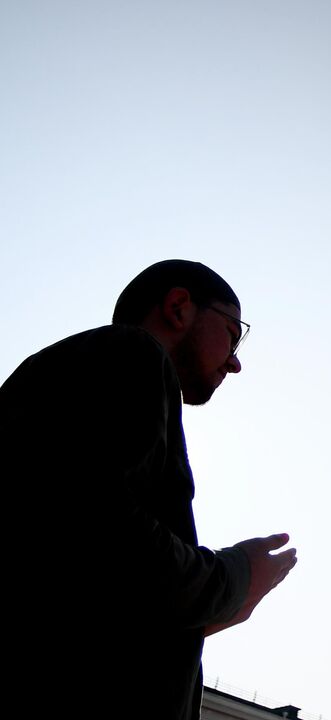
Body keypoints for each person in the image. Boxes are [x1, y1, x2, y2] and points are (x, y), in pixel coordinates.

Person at [0, 260, 298, 719]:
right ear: (179, 307)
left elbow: (95, 586)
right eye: (232, 334)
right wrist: (237, 578)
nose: (236, 362)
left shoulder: (66, 381)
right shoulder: (132, 352)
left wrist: (208, 612)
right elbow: (111, 538)